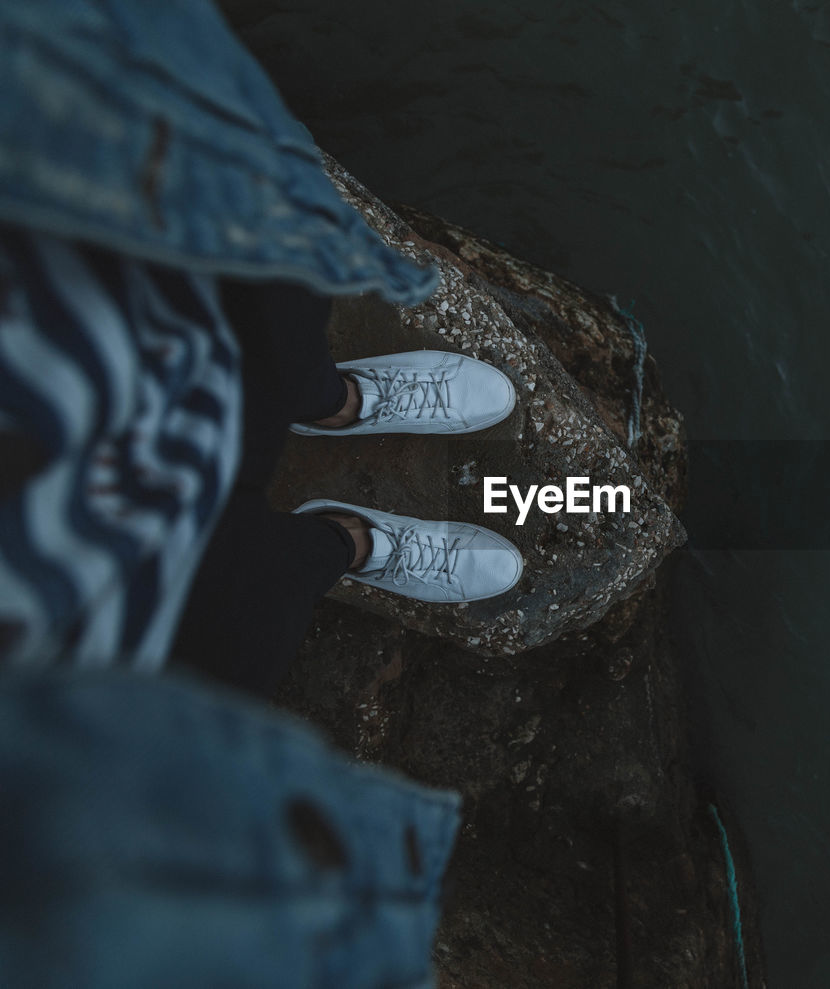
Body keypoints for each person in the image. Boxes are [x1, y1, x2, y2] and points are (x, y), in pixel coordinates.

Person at [0, 0, 511, 984]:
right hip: (95, 660)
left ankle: (338, 400)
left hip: (88, 256)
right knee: (257, 595)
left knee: (264, 320)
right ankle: (349, 537)